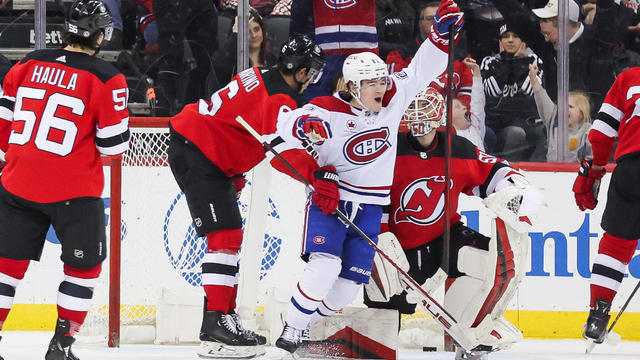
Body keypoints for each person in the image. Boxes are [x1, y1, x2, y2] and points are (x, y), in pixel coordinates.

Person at [269, 0, 464, 353]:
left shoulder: (393, 97)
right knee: (324, 268)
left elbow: (422, 69)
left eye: (381, 79)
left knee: (347, 287)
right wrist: (302, 126)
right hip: (332, 203)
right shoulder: (326, 109)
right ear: (351, 86)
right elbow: (285, 126)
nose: (380, 87)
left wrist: (439, 37)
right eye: (370, 83)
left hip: (371, 209)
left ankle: (309, 324)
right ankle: (292, 328)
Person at [167, 34, 325, 359]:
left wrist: (234, 172)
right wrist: (317, 177)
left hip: (202, 150)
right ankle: (217, 322)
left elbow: (234, 121)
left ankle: (218, 323)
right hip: (201, 153)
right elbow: (280, 153)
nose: (313, 79)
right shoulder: (281, 98)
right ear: (300, 70)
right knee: (225, 237)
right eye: (311, 72)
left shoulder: (260, 75)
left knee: (226, 238)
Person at [363, 87, 542, 360]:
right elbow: (368, 197)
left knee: (486, 263)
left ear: (437, 120)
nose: (419, 127)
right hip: (399, 243)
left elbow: (492, 170)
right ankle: (362, 343)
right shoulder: (389, 148)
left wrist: (514, 188)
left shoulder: (456, 148)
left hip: (445, 235)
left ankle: (466, 339)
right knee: (386, 306)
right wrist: (381, 239)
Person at [0, 1, 130, 359]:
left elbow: (3, 125)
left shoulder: (27, 63)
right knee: (83, 269)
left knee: (5, 269)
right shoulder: (108, 77)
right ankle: (61, 347)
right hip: (73, 190)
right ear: (100, 35)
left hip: (17, 183)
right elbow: (113, 146)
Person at [572, 66, 640, 347]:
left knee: (615, 245)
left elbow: (600, 133)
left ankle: (597, 314)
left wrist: (596, 168)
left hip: (631, 169)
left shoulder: (629, 77)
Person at [480, 22, 546, 161]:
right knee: (515, 134)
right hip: (500, 125)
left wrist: (519, 62)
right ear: (500, 41)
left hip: (530, 123)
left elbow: (530, 91)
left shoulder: (535, 60)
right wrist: (506, 62)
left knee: (542, 134)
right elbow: (492, 92)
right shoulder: (489, 62)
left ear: (523, 41)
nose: (510, 40)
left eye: (516, 36)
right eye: (506, 36)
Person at [529, 64, 592, 162]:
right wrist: (534, 80)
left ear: (581, 114)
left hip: (575, 174)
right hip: (551, 173)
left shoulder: (588, 131)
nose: (564, 109)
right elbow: (542, 99)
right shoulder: (553, 119)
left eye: (570, 106)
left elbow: (593, 158)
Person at [452, 56, 486, 150]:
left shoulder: (476, 126)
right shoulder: (444, 136)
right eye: (457, 107)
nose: (464, 107)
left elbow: (477, 100)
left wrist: (476, 70)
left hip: (479, 165)